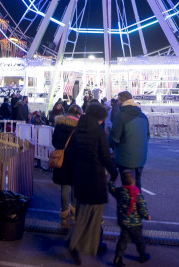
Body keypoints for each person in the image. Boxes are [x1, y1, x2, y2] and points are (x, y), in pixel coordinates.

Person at [66, 101, 117, 265]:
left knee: (82, 212)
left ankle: (80, 243)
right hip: (95, 178)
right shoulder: (98, 131)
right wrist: (114, 171)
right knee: (92, 214)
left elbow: (71, 153)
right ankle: (75, 244)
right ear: (99, 117)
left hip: (80, 177)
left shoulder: (78, 129)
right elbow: (104, 156)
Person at [109, 170, 151, 266]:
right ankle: (142, 256)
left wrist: (112, 179)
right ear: (133, 182)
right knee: (139, 241)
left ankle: (117, 258)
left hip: (124, 222)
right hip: (135, 224)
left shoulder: (119, 192)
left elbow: (111, 188)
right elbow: (142, 207)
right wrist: (146, 215)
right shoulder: (137, 194)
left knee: (122, 241)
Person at [111, 91, 149, 190]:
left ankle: (129, 205)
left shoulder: (120, 116)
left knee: (127, 187)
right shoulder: (143, 115)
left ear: (121, 101)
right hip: (141, 156)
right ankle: (139, 204)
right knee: (137, 184)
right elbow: (147, 136)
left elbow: (115, 138)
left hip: (125, 157)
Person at [53, 103, 82, 227]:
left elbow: (54, 141)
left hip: (63, 160)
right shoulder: (80, 126)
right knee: (76, 188)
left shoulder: (59, 124)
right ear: (78, 114)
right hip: (76, 160)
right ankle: (74, 214)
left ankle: (64, 218)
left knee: (65, 188)